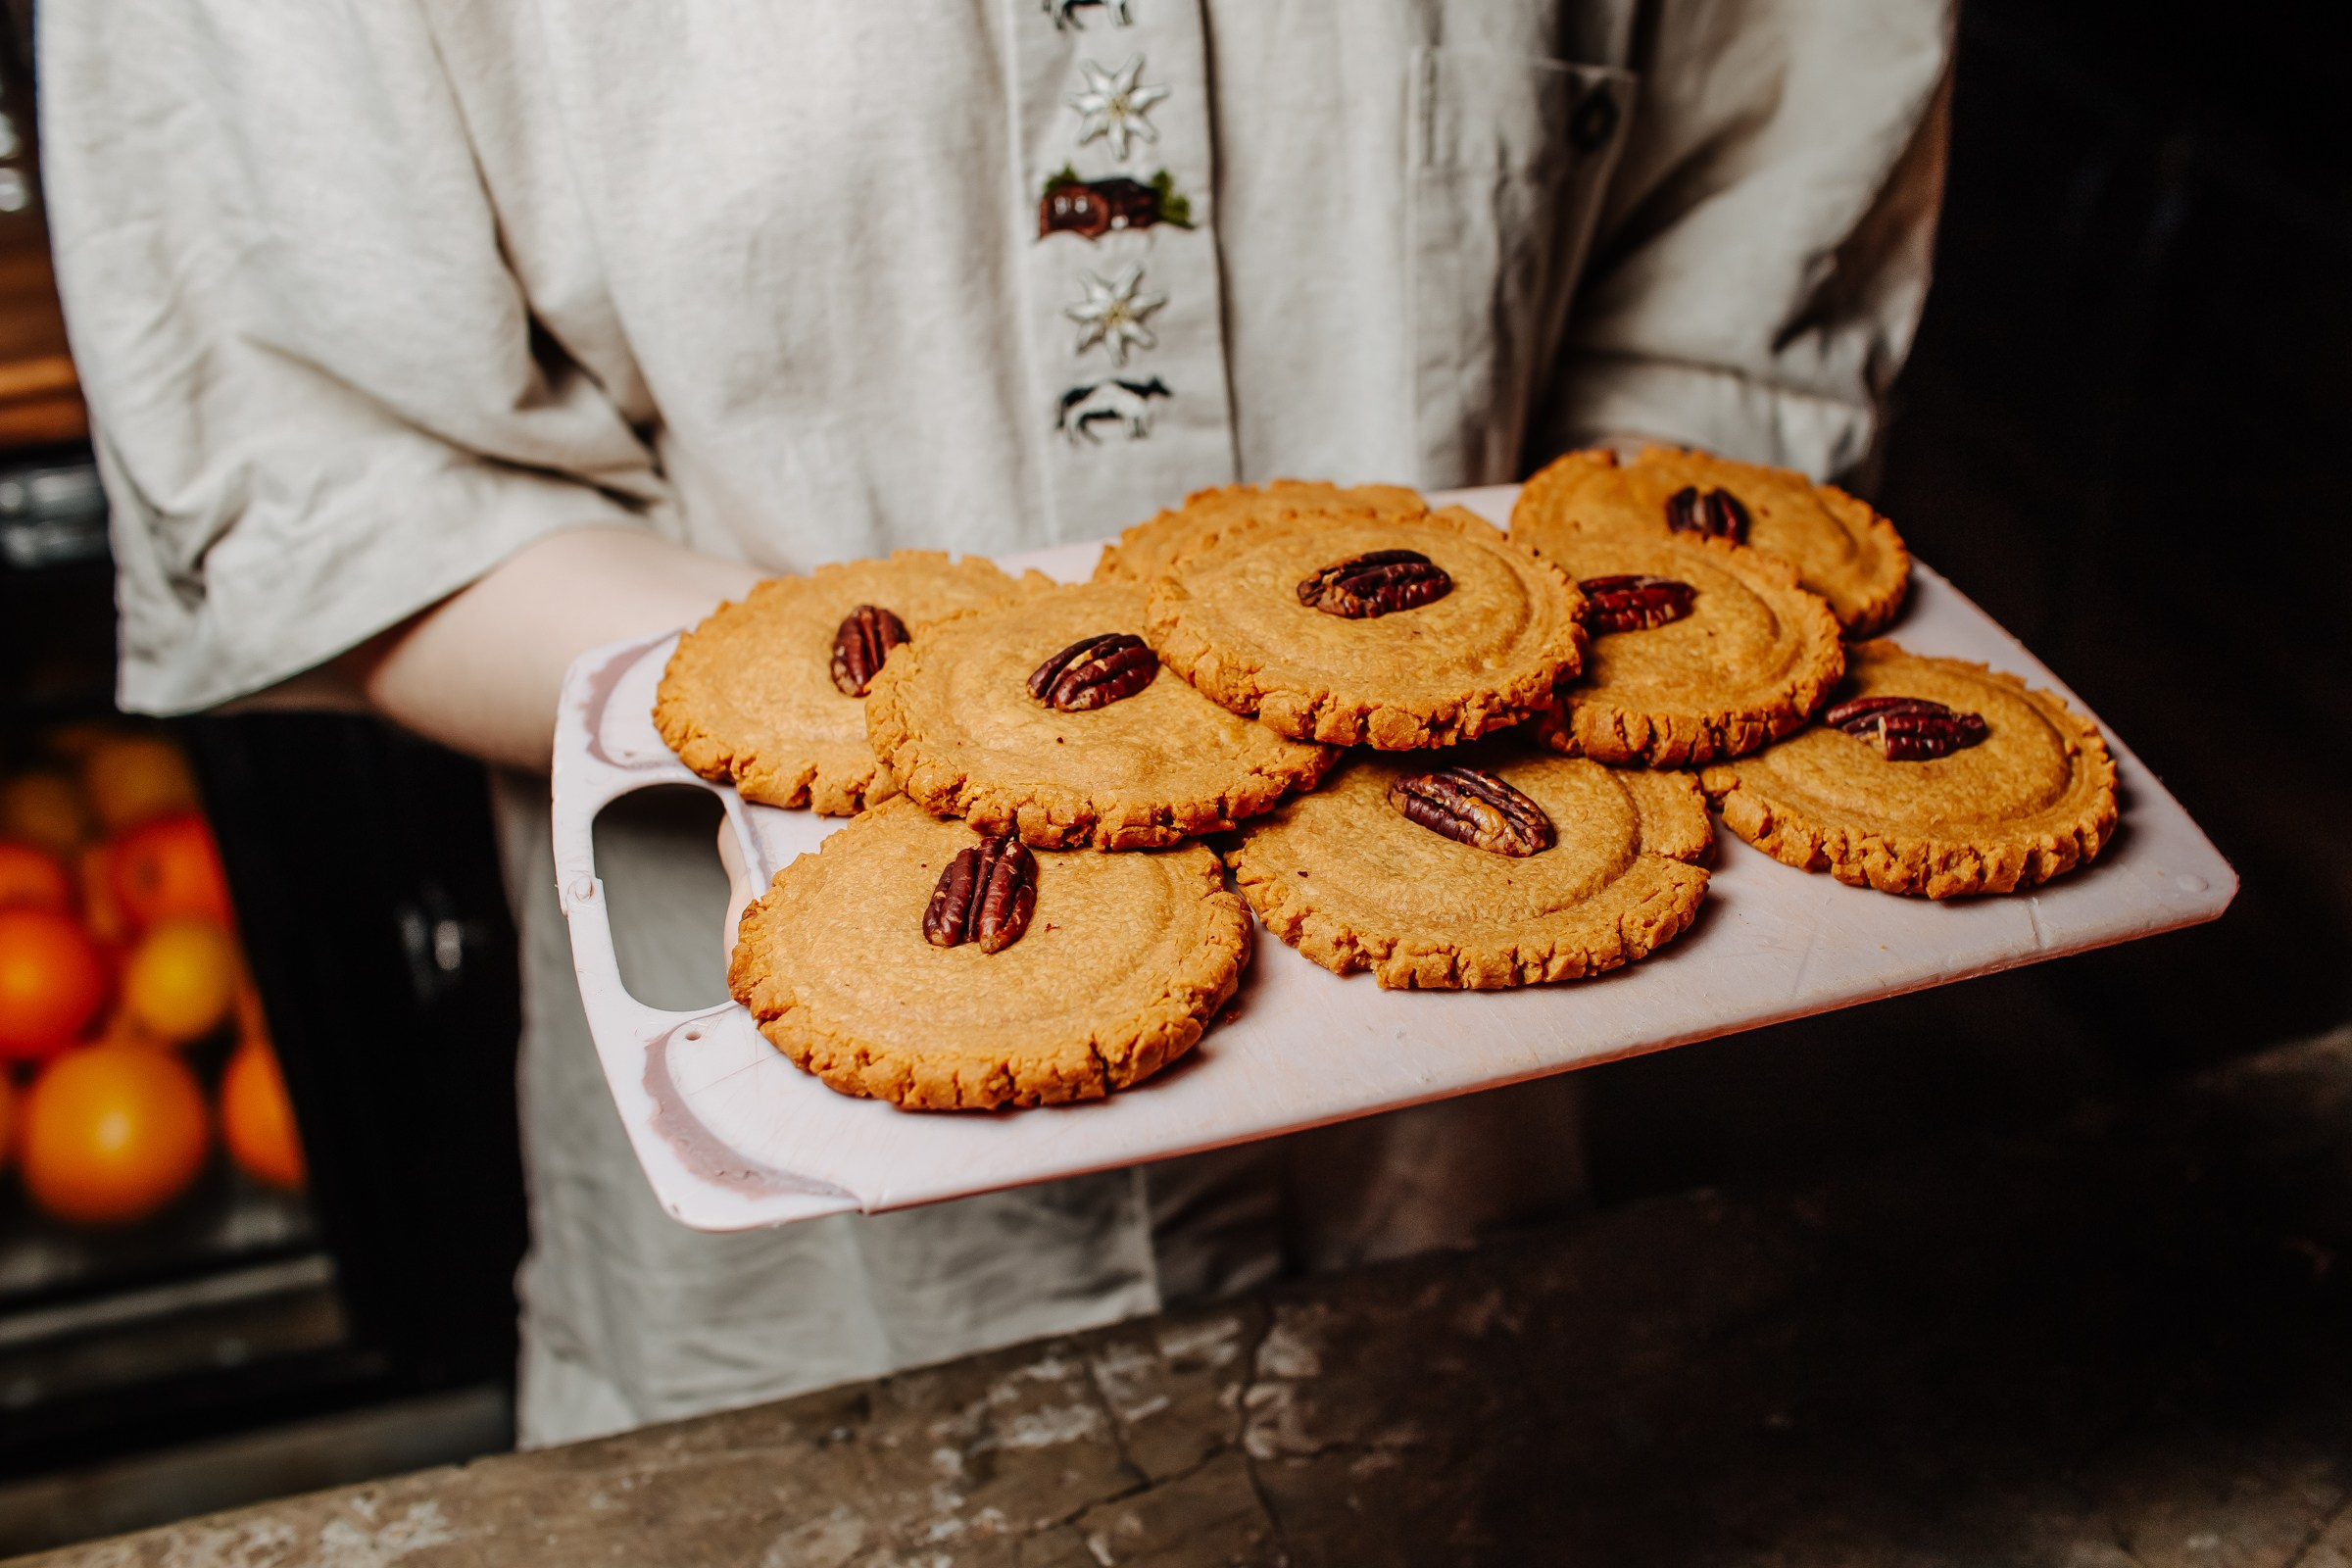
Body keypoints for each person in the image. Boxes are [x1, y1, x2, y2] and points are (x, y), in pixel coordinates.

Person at [38, 1, 1952, 1445]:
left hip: (1459, 1137)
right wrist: (992, 738)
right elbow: (331, 489)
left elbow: (1741, 310)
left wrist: (1528, 676)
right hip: (800, 1259)